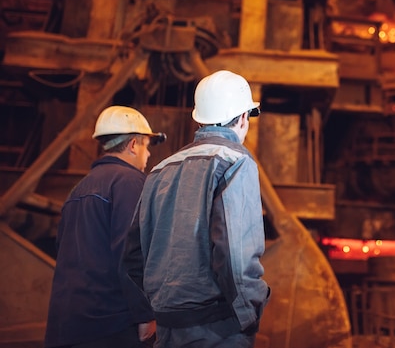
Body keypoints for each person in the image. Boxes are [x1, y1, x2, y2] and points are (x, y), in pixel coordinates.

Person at [123, 70, 270, 348]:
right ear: (241, 118)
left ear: (199, 117)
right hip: (217, 328)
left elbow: (132, 254)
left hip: (168, 327)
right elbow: (234, 254)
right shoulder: (236, 162)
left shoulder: (160, 170)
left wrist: (163, 304)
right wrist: (249, 314)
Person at [45, 105, 166, 348]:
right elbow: (131, 251)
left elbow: (64, 250)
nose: (148, 155)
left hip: (68, 324)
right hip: (112, 327)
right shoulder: (130, 182)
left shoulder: (78, 189)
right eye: (146, 146)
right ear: (133, 145)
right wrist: (145, 314)